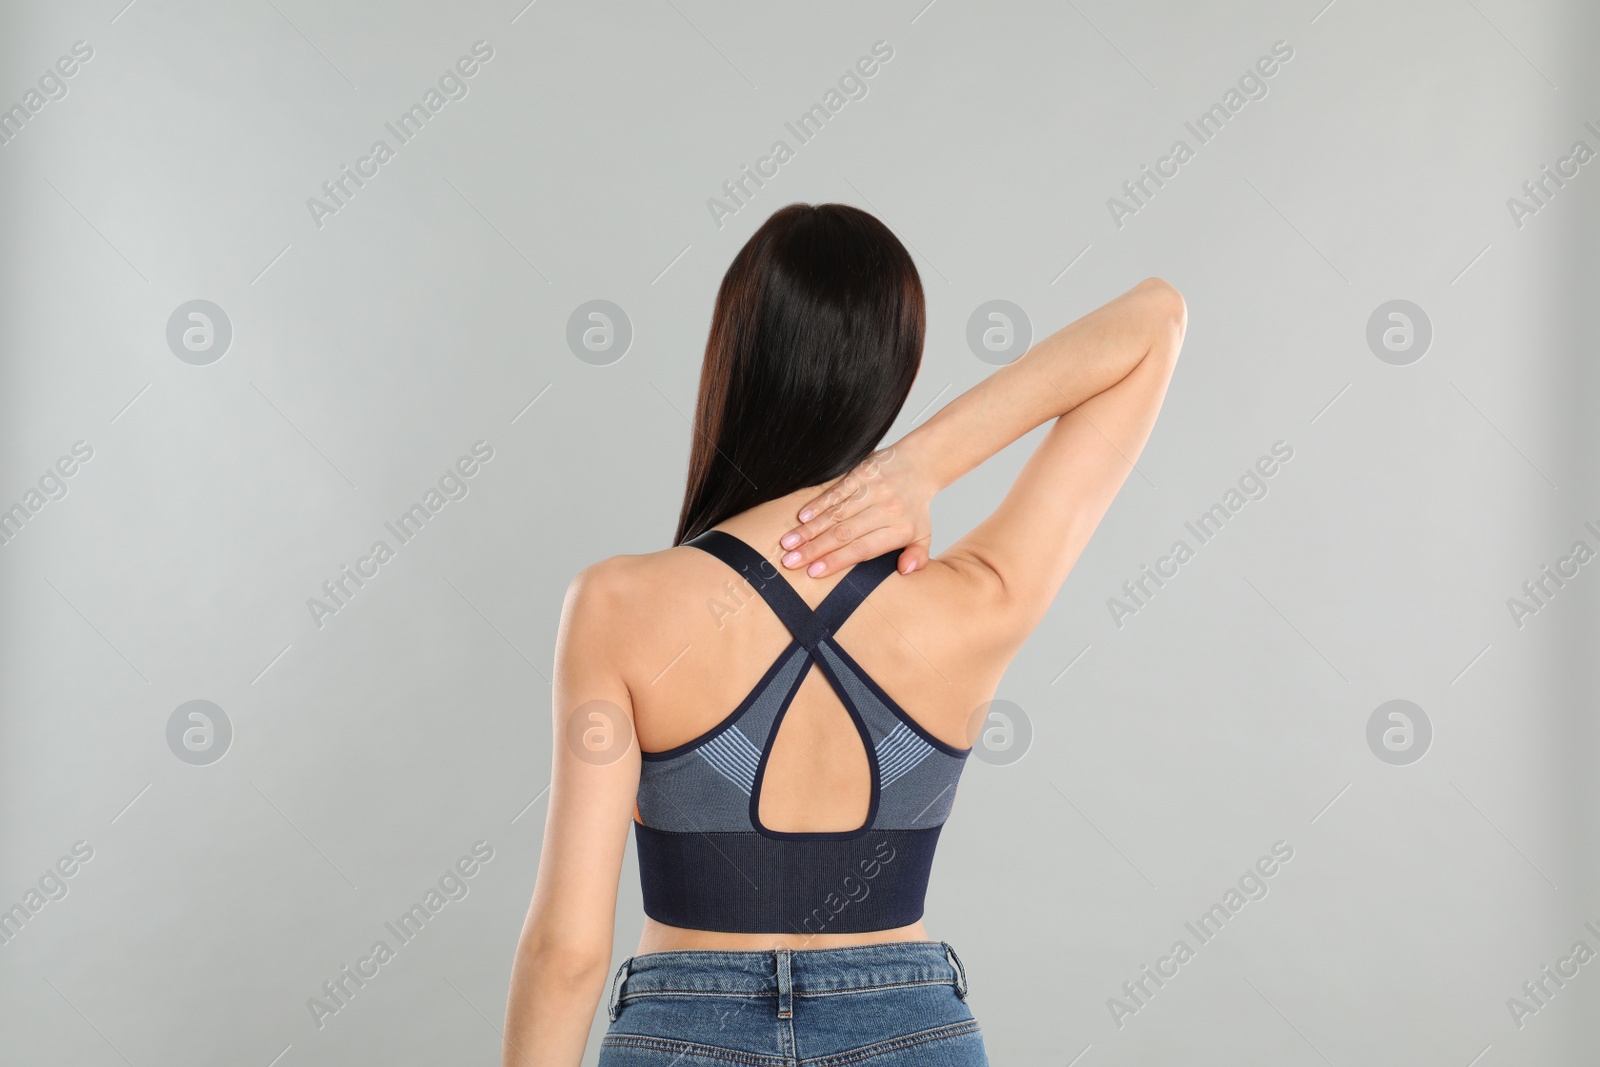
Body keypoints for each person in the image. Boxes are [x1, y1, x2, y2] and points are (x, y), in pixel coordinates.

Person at [501, 202, 1187, 1065]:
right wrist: (923, 462)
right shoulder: (977, 600)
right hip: (909, 1030)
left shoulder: (616, 603)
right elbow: (1156, 319)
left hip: (682, 1033)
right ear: (895, 371)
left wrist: (911, 469)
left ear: (737, 360)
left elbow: (566, 955)